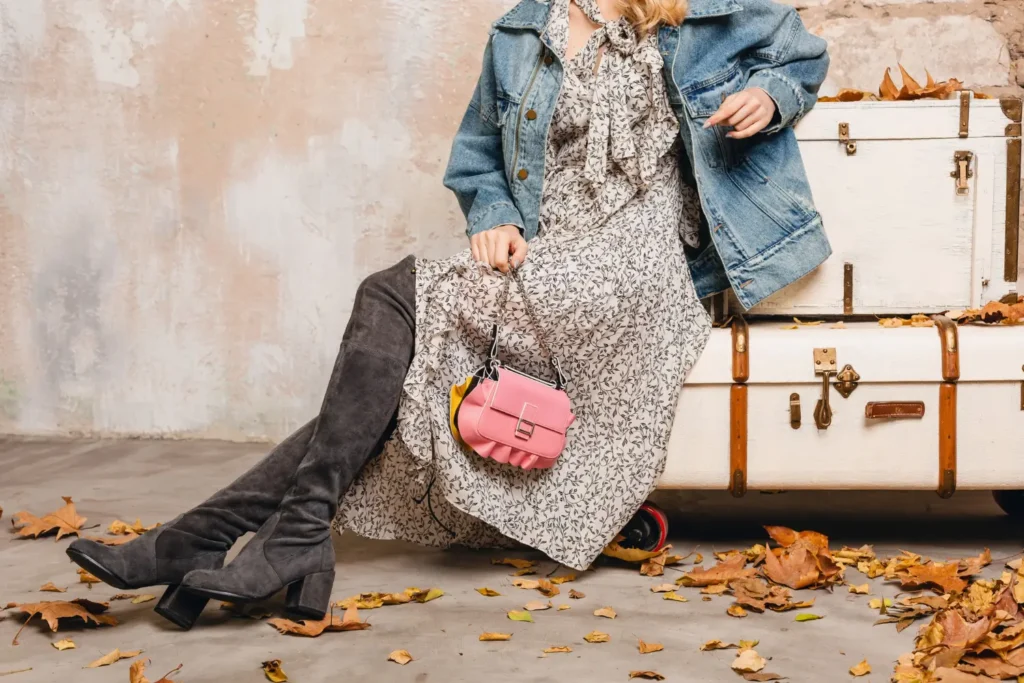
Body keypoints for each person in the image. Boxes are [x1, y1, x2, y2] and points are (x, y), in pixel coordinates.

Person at [66, 0, 830, 630]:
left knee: (394, 296)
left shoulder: (705, 14)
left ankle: (213, 538)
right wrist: (492, 214)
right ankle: (265, 538)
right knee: (403, 344)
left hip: (632, 270)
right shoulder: (523, 32)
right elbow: (478, 158)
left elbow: (805, 58)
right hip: (547, 254)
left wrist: (771, 97)